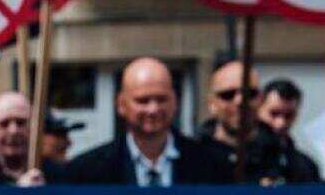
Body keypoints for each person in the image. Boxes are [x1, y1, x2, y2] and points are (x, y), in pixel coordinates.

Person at [56, 57, 233, 185]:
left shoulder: (212, 166)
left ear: (175, 102)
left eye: (161, 99)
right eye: (143, 100)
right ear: (121, 105)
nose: (153, 109)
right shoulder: (85, 172)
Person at [202, 61, 318, 184]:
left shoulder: (291, 162)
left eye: (250, 94)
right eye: (227, 95)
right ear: (211, 104)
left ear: (261, 99)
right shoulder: (193, 159)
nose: (240, 101)